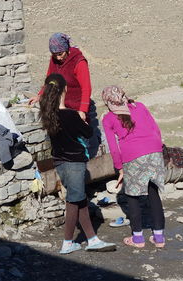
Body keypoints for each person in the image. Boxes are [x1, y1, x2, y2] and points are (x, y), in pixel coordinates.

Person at [39, 73, 116, 254]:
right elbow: (88, 133)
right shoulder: (71, 115)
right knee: (74, 201)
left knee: (79, 199)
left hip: (60, 164)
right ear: (65, 89)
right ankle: (67, 242)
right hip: (74, 163)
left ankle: (92, 238)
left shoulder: (49, 116)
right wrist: (82, 118)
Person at [101, 86, 166, 248]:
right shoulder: (140, 107)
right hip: (155, 151)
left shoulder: (108, 118)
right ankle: (159, 238)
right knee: (153, 192)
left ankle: (138, 239)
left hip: (133, 155)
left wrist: (119, 168)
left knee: (132, 196)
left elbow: (113, 147)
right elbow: (156, 130)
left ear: (108, 102)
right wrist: (158, 150)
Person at [30, 33, 101, 158]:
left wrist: (83, 110)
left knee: (83, 139)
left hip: (77, 105)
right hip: (63, 106)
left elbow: (86, 88)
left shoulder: (79, 62)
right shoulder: (54, 60)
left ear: (67, 49)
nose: (58, 58)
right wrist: (40, 95)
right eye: (54, 54)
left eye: (60, 54)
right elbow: (50, 78)